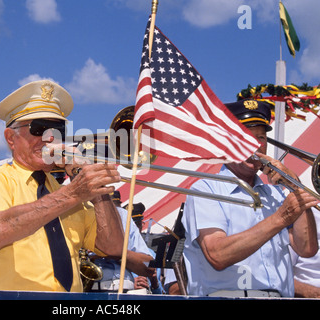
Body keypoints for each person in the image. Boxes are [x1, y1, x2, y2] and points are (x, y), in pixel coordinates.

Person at [0, 80, 124, 292]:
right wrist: (73, 193)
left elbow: (113, 246)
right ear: (11, 138)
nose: (50, 138)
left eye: (57, 129)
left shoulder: (65, 192)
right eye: (38, 128)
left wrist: (96, 187)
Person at [182, 99, 318, 298]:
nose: (255, 145)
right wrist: (280, 218)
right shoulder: (205, 189)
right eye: (245, 137)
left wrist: (295, 185)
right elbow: (217, 255)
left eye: (261, 138)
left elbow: (307, 249)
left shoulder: (278, 193)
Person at [91, 191, 160, 293]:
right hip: (88, 291)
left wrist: (117, 253)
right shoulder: (75, 212)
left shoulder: (123, 215)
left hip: (125, 291)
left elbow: (149, 267)